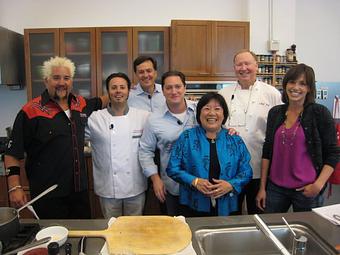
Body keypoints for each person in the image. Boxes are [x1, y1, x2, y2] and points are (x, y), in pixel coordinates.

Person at [4, 56, 108, 219]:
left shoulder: (79, 104)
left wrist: (126, 89)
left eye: (66, 78)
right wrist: (14, 187)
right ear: (46, 81)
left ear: (71, 81)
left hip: (78, 191)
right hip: (47, 193)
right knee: (51, 238)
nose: (61, 82)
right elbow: (12, 153)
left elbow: (100, 101)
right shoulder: (31, 111)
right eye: (56, 78)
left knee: (81, 236)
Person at [256, 63, 340, 213]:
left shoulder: (319, 113)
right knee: (271, 230)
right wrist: (262, 188)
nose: (296, 87)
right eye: (292, 82)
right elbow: (267, 150)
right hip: (275, 189)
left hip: (307, 189)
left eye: (303, 84)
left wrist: (318, 185)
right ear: (286, 84)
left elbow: (333, 153)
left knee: (307, 233)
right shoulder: (275, 113)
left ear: (309, 88)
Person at [166, 92, 252, 216]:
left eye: (217, 109)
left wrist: (231, 185)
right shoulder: (187, 137)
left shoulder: (234, 139)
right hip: (193, 204)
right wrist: (194, 181)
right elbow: (172, 168)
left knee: (225, 234)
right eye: (206, 108)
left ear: (224, 115)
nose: (212, 113)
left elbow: (246, 171)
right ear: (199, 114)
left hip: (228, 204)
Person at [219, 49, 282, 214]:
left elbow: (279, 130)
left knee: (258, 215)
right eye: (239, 64)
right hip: (231, 169)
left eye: (247, 63)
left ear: (257, 66)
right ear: (234, 68)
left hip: (260, 167)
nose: (243, 68)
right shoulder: (223, 94)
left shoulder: (272, 94)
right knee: (231, 215)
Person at [85, 72, 149, 218]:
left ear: (128, 91)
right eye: (114, 88)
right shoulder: (96, 118)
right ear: (108, 92)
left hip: (135, 185)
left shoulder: (143, 116)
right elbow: (75, 135)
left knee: (134, 229)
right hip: (108, 187)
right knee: (112, 229)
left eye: (122, 87)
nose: (118, 91)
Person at [139, 70, 196, 216]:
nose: (174, 91)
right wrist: (155, 179)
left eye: (178, 86)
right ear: (162, 91)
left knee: (198, 225)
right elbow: (145, 151)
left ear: (185, 88)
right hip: (171, 185)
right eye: (169, 87)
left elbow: (217, 131)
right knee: (173, 230)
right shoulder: (154, 119)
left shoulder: (199, 111)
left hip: (199, 183)